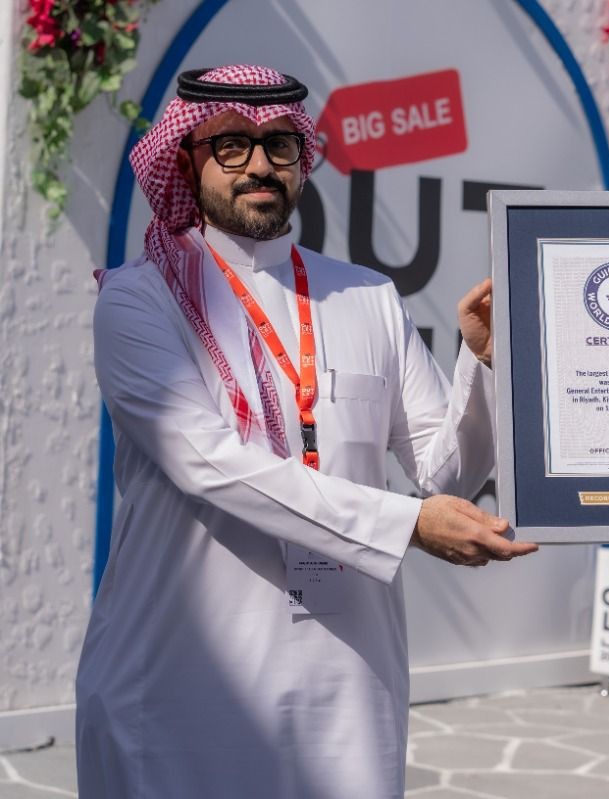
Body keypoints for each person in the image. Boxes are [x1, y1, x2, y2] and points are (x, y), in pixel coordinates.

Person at [76, 65, 536, 798]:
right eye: (232, 144)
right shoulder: (139, 299)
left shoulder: (367, 295)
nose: (260, 165)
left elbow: (446, 475)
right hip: (179, 680)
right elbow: (209, 463)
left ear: (302, 160)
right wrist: (406, 523)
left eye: (280, 145)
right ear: (185, 161)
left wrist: (480, 362)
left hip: (346, 677)